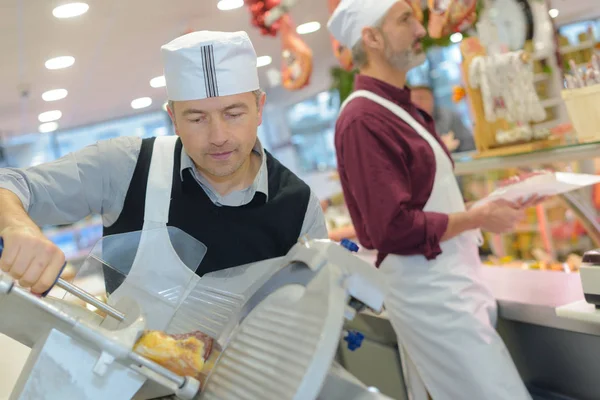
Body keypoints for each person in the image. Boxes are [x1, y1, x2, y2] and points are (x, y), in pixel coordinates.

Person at [0, 31, 327, 305]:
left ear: (259, 109)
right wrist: (17, 227)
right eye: (196, 118)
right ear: (173, 118)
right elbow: (10, 184)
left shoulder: (298, 204)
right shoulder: (126, 167)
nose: (218, 137)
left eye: (234, 113)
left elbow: (316, 311)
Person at [328, 1, 539, 399]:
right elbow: (392, 227)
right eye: (405, 19)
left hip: (451, 286)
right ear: (370, 38)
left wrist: (496, 199)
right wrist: (477, 217)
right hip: (431, 297)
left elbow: (423, 198)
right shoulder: (362, 119)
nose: (422, 29)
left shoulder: (397, 107)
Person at [409, 84, 476, 153]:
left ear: (432, 99)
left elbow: (468, 142)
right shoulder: (408, 121)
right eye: (413, 99)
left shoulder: (449, 116)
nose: (417, 103)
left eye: (421, 98)